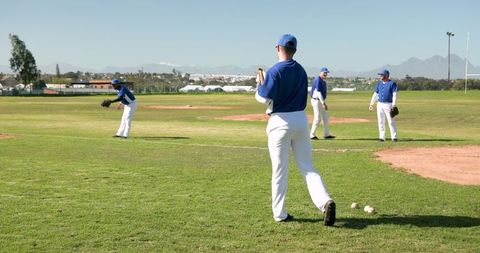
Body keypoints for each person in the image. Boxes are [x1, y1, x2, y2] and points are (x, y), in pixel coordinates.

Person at [256, 34, 336, 225]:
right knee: (308, 167)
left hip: (280, 121)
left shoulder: (274, 70)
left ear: (277, 48)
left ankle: (280, 214)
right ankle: (325, 201)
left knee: (280, 170)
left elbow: (264, 98)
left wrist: (259, 84)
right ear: (295, 50)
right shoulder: (301, 70)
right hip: (300, 119)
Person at [369, 69, 398, 142]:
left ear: (386, 75)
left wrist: (394, 104)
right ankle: (382, 137)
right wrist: (371, 103)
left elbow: (394, 94)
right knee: (380, 121)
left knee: (391, 121)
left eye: (381, 75)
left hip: (388, 104)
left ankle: (394, 137)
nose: (380, 76)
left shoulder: (392, 83)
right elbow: (375, 94)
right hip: (380, 104)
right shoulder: (379, 83)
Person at [310, 67, 335, 140]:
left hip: (320, 101)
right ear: (320, 72)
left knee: (325, 117)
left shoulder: (322, 81)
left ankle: (326, 134)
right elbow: (318, 92)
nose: (326, 74)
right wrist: (323, 103)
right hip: (316, 100)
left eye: (326, 73)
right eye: (324, 72)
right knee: (317, 118)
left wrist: (323, 102)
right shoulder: (318, 80)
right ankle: (311, 135)